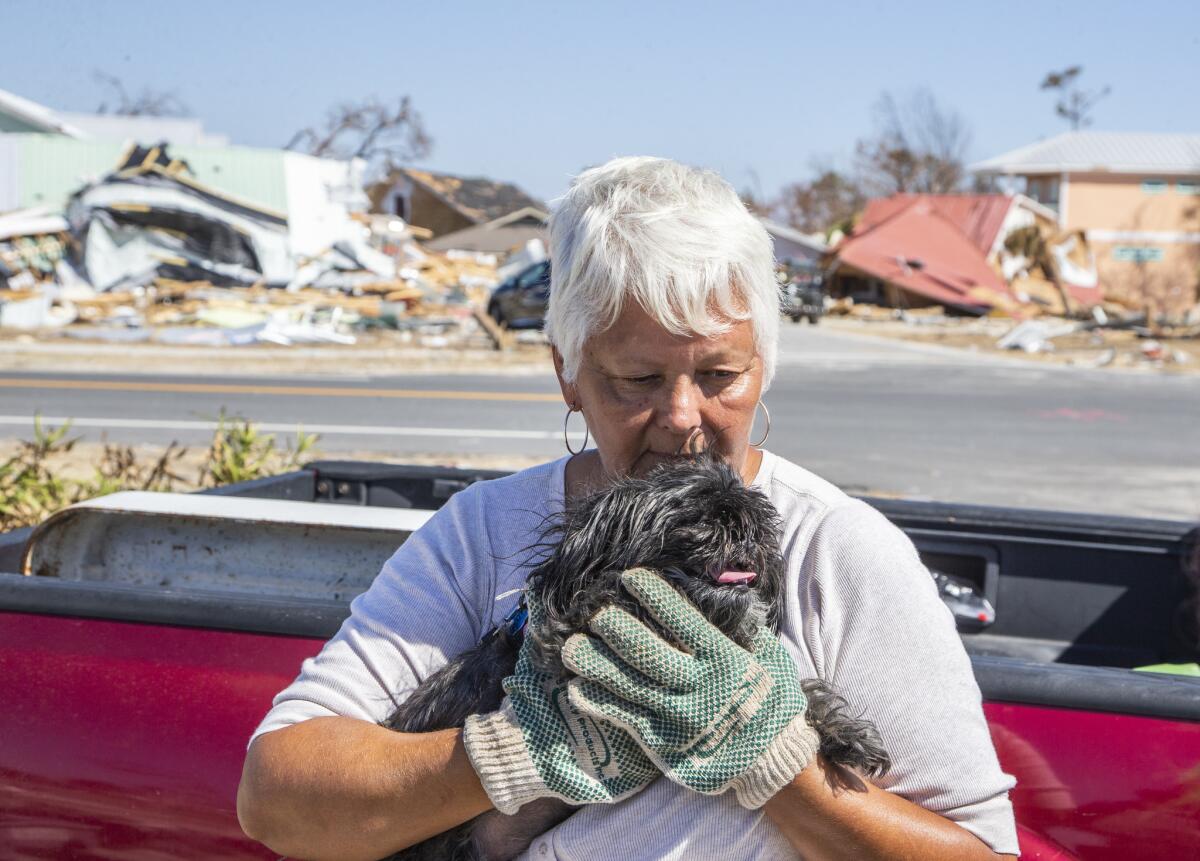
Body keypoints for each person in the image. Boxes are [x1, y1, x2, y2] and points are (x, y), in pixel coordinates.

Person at [237, 157, 1019, 861]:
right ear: (568, 374)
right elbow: (278, 799)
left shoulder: (835, 551)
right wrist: (514, 754)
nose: (683, 416)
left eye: (719, 373)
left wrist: (777, 765)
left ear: (765, 366)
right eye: (637, 380)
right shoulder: (486, 533)